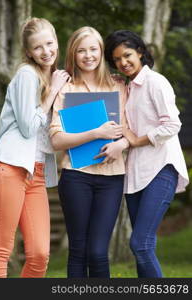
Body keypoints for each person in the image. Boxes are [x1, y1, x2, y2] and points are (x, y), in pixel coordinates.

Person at [104, 30, 189, 278]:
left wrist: (137, 141)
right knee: (144, 246)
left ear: (140, 52)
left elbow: (172, 124)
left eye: (127, 55)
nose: (123, 63)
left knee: (139, 243)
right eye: (117, 59)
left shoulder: (155, 82)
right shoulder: (128, 88)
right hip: (136, 175)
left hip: (161, 168)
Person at [49, 26, 129, 278]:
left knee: (97, 252)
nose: (88, 56)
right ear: (73, 55)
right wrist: (97, 133)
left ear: (101, 51)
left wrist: (122, 144)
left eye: (93, 49)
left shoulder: (119, 85)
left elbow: (132, 129)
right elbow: (56, 139)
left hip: (111, 178)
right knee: (78, 250)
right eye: (81, 51)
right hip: (75, 177)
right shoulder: (66, 89)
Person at [0, 17, 70, 278]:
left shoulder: (54, 78)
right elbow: (27, 127)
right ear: (28, 52)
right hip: (11, 167)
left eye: (50, 44)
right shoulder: (27, 75)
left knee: (39, 254)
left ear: (57, 43)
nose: (46, 51)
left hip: (36, 174)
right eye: (38, 47)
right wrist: (51, 95)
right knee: (0, 251)